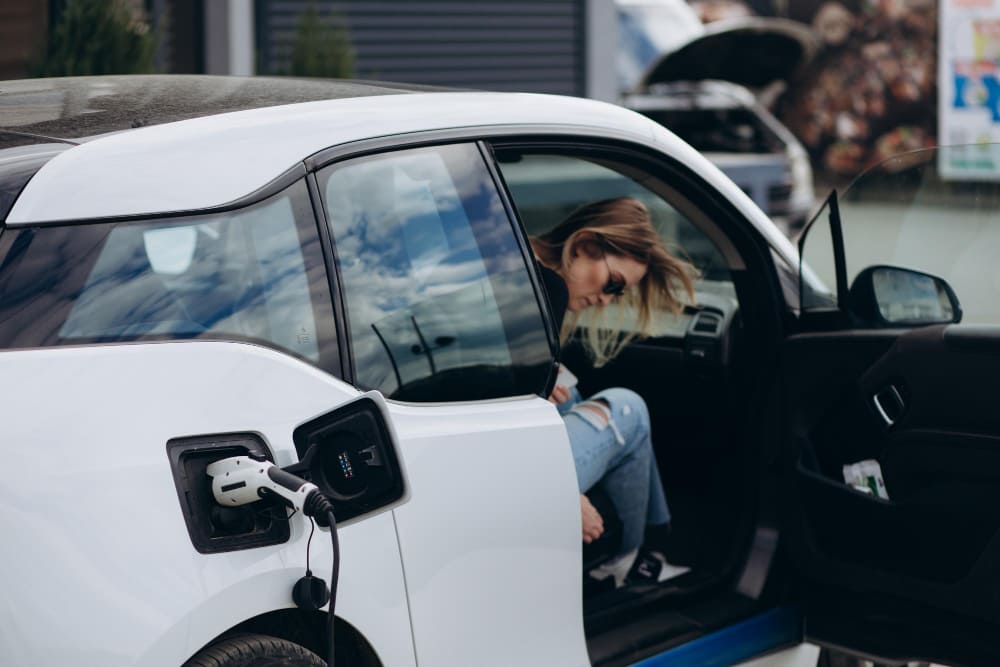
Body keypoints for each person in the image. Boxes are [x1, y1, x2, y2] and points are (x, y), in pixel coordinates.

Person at [530, 196, 696, 588]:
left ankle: (649, 551)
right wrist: (563, 490)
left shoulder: (524, 273)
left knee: (572, 394)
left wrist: (539, 376)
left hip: (499, 457)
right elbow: (475, 400)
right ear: (586, 245)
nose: (606, 299)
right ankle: (625, 565)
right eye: (614, 283)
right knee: (629, 409)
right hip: (501, 469)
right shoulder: (538, 292)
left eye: (617, 293)